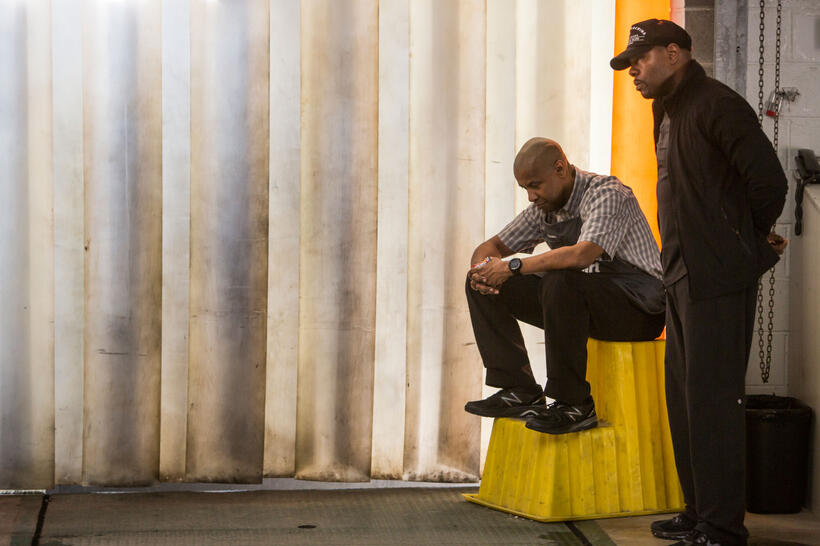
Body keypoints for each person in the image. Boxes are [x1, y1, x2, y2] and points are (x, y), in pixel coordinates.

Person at [611, 19, 788, 546]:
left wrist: (743, 251)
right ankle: (698, 511)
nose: (634, 71)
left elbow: (769, 184)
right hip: (681, 276)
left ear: (674, 52)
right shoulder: (665, 110)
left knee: (714, 404)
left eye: (641, 60)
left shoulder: (717, 104)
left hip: (717, 278)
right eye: (629, 64)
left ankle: (722, 527)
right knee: (686, 404)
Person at [464, 137, 665, 435]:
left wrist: (512, 267)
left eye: (535, 185)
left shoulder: (608, 193)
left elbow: (581, 255)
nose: (531, 196)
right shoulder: (545, 207)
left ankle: (574, 404)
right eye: (525, 189)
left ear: (560, 169)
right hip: (584, 305)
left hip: (639, 309)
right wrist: (483, 270)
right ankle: (519, 389)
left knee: (560, 279)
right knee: (479, 284)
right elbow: (491, 246)